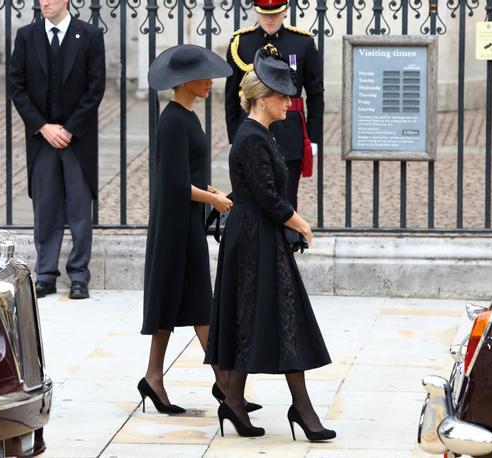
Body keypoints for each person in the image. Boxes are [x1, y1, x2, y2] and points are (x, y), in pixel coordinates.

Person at [204, 46, 335, 441]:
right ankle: (298, 409)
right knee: (276, 315)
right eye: (281, 97)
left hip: (259, 235)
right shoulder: (250, 138)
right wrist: (302, 224)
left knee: (262, 315)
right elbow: (267, 196)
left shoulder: (260, 134)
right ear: (262, 101)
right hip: (254, 238)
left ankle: (235, 400)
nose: (289, 103)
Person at [140, 44, 262, 415]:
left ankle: (155, 377)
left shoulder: (188, 117)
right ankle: (224, 384)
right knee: (195, 302)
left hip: (186, 220)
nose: (210, 83)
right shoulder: (174, 120)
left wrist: (208, 190)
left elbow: (187, 176)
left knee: (185, 299)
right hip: (176, 224)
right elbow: (173, 183)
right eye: (203, 78)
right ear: (184, 81)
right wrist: (215, 202)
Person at [9, 0, 105, 299]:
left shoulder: (89, 35)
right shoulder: (27, 35)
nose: (44, 3)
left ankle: (79, 275)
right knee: (46, 207)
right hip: (42, 139)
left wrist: (70, 128)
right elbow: (17, 87)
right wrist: (43, 127)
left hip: (78, 139)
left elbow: (95, 86)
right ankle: (46, 275)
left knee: (79, 208)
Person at [224, 0, 324, 210]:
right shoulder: (241, 43)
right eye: (265, 13)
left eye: (275, 13)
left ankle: (288, 243)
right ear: (256, 11)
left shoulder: (303, 43)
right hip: (251, 129)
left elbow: (315, 94)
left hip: (290, 133)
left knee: (286, 198)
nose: (270, 19)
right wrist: (234, 136)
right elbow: (231, 95)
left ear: (286, 10)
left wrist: (313, 138)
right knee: (253, 197)